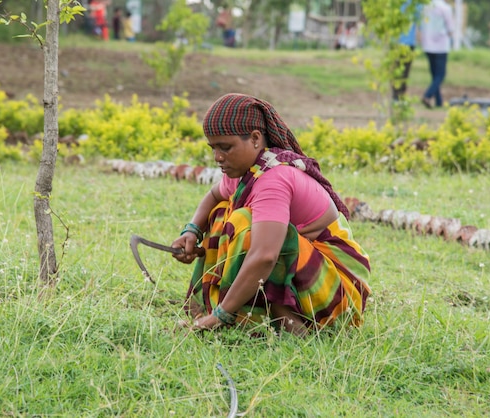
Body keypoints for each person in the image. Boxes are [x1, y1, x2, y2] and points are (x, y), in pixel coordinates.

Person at [171, 93, 372, 336]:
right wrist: (192, 230)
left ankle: (289, 325)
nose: (218, 158)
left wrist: (222, 315)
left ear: (255, 138)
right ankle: (224, 310)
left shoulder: (272, 179)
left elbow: (265, 256)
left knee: (246, 224)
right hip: (306, 272)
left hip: (336, 290)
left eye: (225, 147)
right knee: (222, 212)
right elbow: (214, 196)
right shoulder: (246, 172)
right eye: (213, 148)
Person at [419, 0, 454, 108]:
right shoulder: (446, 9)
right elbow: (450, 28)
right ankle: (427, 95)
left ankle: (439, 102)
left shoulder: (425, 7)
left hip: (428, 45)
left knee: (434, 75)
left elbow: (421, 25)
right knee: (440, 75)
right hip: (441, 46)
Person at [391, 0, 422, 101]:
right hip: (406, 43)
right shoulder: (415, 4)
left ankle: (397, 95)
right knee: (404, 71)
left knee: (397, 70)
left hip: (397, 42)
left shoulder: (396, 4)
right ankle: (399, 95)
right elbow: (419, 23)